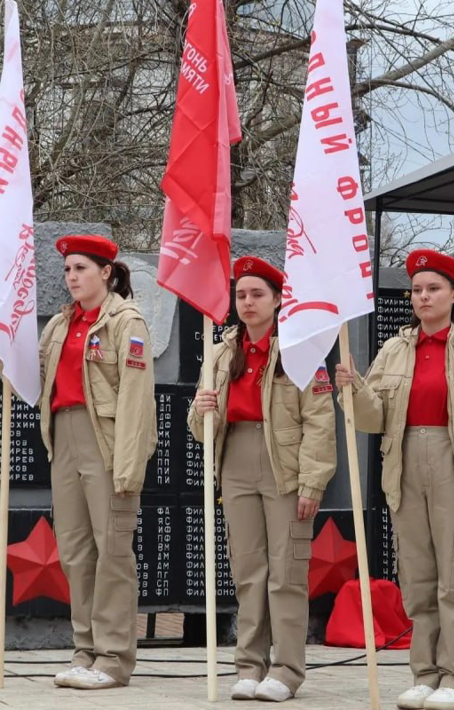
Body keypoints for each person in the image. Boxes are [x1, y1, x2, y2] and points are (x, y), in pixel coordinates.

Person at [334, 249, 454, 710]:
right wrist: (352, 387)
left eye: (433, 288)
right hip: (405, 462)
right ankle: (425, 674)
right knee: (416, 576)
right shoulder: (395, 348)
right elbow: (373, 418)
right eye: (416, 289)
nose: (423, 297)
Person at [189, 256, 337, 702]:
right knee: (248, 570)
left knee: (286, 572)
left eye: (257, 294)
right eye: (241, 295)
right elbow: (202, 431)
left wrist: (312, 482)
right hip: (235, 461)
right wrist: (200, 410)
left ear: (277, 299)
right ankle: (249, 665)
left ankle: (287, 669)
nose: (248, 303)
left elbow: (320, 421)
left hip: (284, 467)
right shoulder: (221, 351)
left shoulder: (299, 349)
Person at [37, 234, 157, 690]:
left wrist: (128, 464)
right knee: (74, 552)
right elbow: (40, 379)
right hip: (64, 439)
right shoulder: (61, 324)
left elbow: (136, 399)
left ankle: (112, 658)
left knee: (113, 554)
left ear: (107, 272)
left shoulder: (127, 321)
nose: (72, 278)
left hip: (106, 442)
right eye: (68, 270)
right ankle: (84, 651)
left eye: (81, 269)